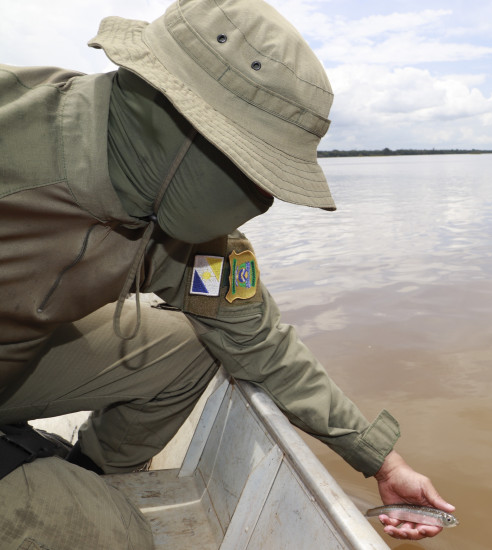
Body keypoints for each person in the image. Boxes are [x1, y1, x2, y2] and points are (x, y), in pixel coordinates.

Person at [0, 0, 452, 546]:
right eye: (258, 169)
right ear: (190, 135)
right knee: (115, 537)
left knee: (192, 348)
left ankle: (87, 470)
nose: (263, 198)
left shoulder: (180, 227)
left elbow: (259, 341)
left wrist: (382, 460)